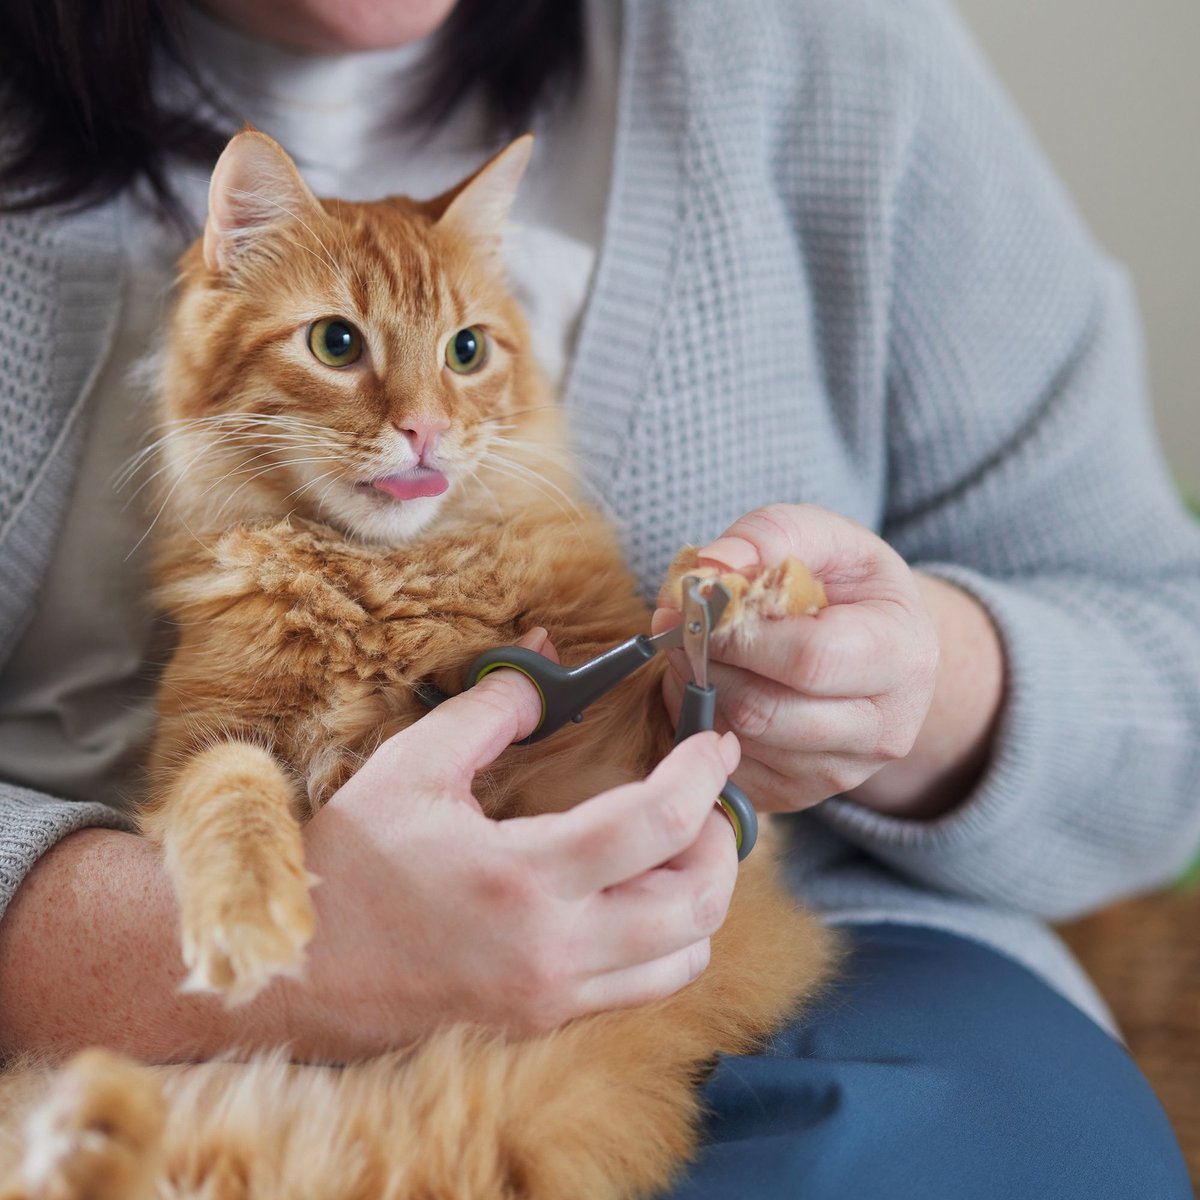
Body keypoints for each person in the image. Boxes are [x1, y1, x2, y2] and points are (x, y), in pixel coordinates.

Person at [0, 0, 1196, 1194]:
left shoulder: (831, 50)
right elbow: (217, 768)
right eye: (344, 349)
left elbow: (1168, 676)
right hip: (125, 1018)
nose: (420, 419)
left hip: (811, 1003)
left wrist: (923, 684)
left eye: (466, 354)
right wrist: (228, 952)